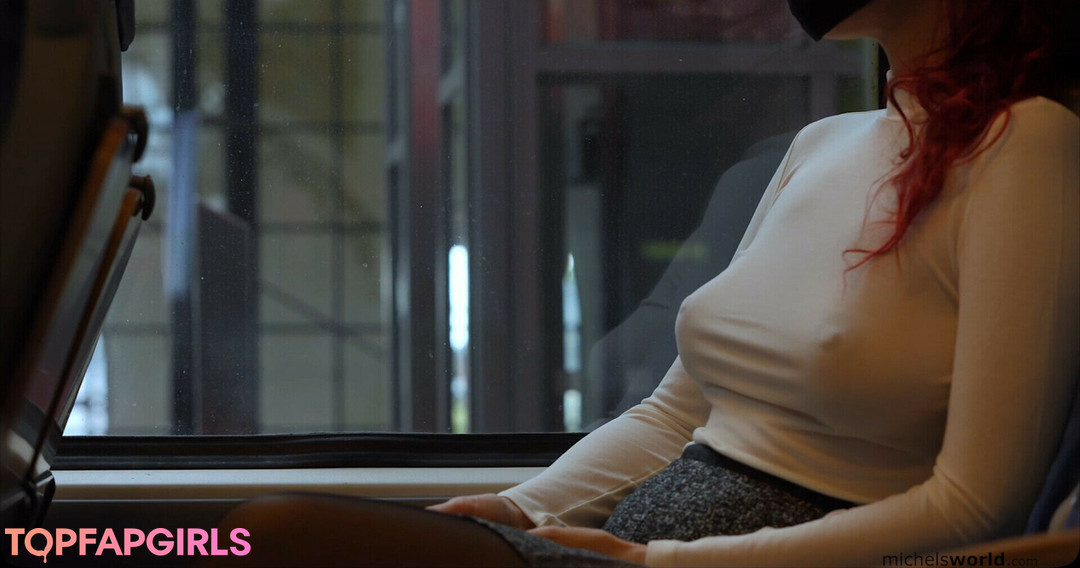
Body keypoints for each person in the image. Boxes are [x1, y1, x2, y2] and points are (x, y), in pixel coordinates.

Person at [211, 0, 1078, 566]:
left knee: (276, 532)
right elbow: (672, 416)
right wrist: (520, 506)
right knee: (263, 535)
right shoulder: (822, 144)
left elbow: (976, 508)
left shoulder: (1029, 146)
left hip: (706, 564)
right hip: (632, 549)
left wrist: (663, 563)